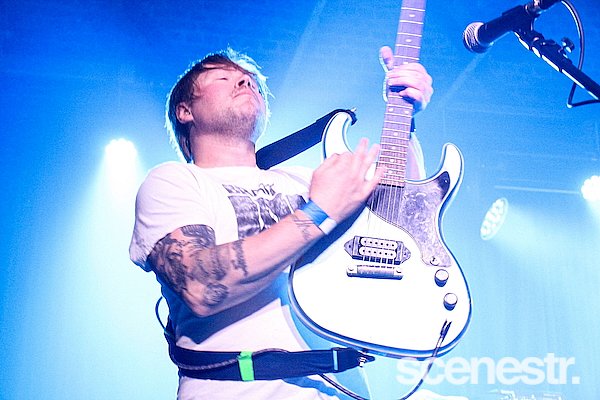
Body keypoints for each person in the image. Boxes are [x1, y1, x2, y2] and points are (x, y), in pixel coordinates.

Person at [129, 46, 433, 399]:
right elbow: (200, 287)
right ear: (185, 110)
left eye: (252, 81)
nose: (245, 81)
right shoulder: (174, 181)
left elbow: (402, 217)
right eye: (224, 77)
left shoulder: (307, 180)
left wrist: (404, 114)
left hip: (345, 388)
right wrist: (319, 211)